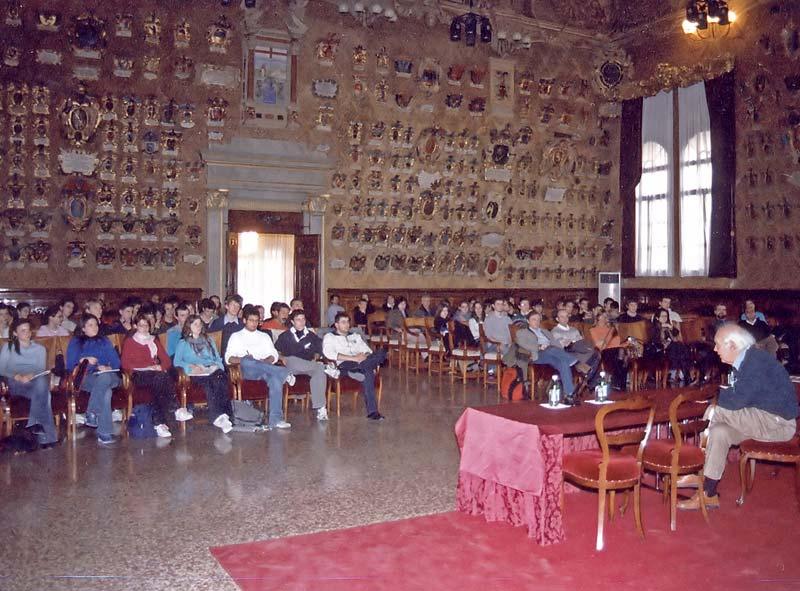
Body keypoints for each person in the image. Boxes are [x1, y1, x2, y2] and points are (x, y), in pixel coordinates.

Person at [679, 324, 799, 510]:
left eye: (718, 344)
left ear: (733, 345)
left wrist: (715, 396)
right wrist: (719, 396)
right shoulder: (746, 361)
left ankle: (697, 470)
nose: (715, 349)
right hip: (758, 418)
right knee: (719, 431)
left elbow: (735, 401)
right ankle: (709, 492)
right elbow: (738, 398)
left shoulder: (755, 361)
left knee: (714, 412)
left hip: (778, 423)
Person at [225, 306, 294, 430]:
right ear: (244, 321)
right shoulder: (236, 336)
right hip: (246, 371)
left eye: (256, 321)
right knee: (248, 361)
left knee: (275, 380)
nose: (254, 323)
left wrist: (265, 361)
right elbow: (228, 358)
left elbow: (274, 355)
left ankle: (275, 420)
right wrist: (244, 359)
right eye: (251, 320)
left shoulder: (264, 336)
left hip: (265, 369)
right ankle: (283, 372)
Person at [121, 313, 183, 439]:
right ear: (135, 326)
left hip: (154, 374)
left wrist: (160, 367)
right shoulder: (130, 342)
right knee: (160, 378)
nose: (144, 328)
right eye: (141, 325)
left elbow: (166, 360)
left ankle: (159, 423)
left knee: (159, 382)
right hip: (138, 374)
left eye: (146, 325)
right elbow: (125, 363)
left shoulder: (153, 340)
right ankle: (174, 408)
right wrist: (148, 365)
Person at [0, 318, 58, 447]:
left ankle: (35, 425)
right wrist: (17, 376)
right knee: (45, 395)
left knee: (42, 386)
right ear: (15, 333)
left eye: (28, 330)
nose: (27, 333)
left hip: (35, 382)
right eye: (23, 330)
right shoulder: (8, 347)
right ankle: (48, 435)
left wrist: (31, 375)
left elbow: (40, 369)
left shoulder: (39, 349)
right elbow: (2, 368)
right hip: (16, 384)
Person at [66, 315, 121, 445]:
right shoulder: (76, 342)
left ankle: (91, 412)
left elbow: (116, 362)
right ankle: (104, 433)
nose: (95, 327)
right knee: (106, 392)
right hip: (87, 377)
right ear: (83, 328)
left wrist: (107, 367)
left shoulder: (104, 340)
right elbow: (69, 365)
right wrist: (84, 360)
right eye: (90, 325)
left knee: (105, 377)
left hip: (109, 375)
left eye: (96, 324)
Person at [173, 314, 233, 434]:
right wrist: (190, 367)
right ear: (189, 326)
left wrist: (216, 366)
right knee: (209, 383)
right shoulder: (183, 343)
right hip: (196, 372)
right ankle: (217, 416)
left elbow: (217, 357)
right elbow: (176, 362)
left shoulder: (209, 340)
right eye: (195, 324)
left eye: (200, 324)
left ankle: (226, 415)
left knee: (222, 378)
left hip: (211, 369)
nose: (198, 326)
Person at [323, 312, 387, 420]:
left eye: (348, 322)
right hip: (345, 363)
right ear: (336, 325)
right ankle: (373, 412)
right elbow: (329, 354)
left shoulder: (355, 336)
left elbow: (367, 351)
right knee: (368, 371)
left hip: (361, 362)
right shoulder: (330, 337)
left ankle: (358, 370)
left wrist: (363, 356)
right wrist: (353, 358)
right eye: (343, 322)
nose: (347, 325)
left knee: (382, 351)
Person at [275, 309, 333, 422]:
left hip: (308, 366)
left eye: (303, 319)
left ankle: (320, 407)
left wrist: (316, 356)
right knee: (292, 359)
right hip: (290, 366)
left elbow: (318, 352)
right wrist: (282, 358)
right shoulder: (285, 336)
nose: (301, 322)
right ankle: (324, 368)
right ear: (292, 322)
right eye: (298, 320)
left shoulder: (311, 336)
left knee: (319, 372)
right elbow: (275, 352)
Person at [513, 311, 580, 398]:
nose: (536, 322)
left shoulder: (545, 331)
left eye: (538, 320)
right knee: (551, 349)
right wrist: (539, 346)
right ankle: (574, 361)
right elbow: (523, 344)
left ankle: (569, 393)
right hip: (536, 354)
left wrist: (562, 344)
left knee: (563, 361)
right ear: (528, 321)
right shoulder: (522, 332)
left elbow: (556, 344)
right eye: (534, 319)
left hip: (551, 354)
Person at [550, 309, 601, 385]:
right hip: (567, 352)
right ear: (557, 319)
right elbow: (563, 344)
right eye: (562, 317)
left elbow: (580, 341)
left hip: (580, 351)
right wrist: (572, 341)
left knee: (596, 354)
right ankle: (587, 378)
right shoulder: (555, 331)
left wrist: (572, 341)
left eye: (566, 316)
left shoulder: (573, 329)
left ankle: (586, 376)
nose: (565, 319)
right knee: (587, 351)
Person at [651, 309, 694, 384]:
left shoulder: (668, 326)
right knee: (679, 347)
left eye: (666, 316)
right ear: (657, 318)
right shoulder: (654, 327)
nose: (665, 318)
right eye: (662, 316)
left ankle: (686, 376)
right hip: (660, 350)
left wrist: (670, 327)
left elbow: (676, 333)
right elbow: (656, 340)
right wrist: (661, 327)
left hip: (673, 350)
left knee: (682, 348)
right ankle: (687, 376)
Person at [588, 312, 628, 390]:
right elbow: (599, 343)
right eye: (602, 317)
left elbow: (617, 341)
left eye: (605, 317)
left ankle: (619, 383)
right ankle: (619, 382)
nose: (604, 319)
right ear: (597, 319)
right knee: (620, 355)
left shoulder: (612, 329)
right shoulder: (593, 330)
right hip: (604, 350)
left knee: (624, 354)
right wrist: (608, 340)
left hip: (617, 349)